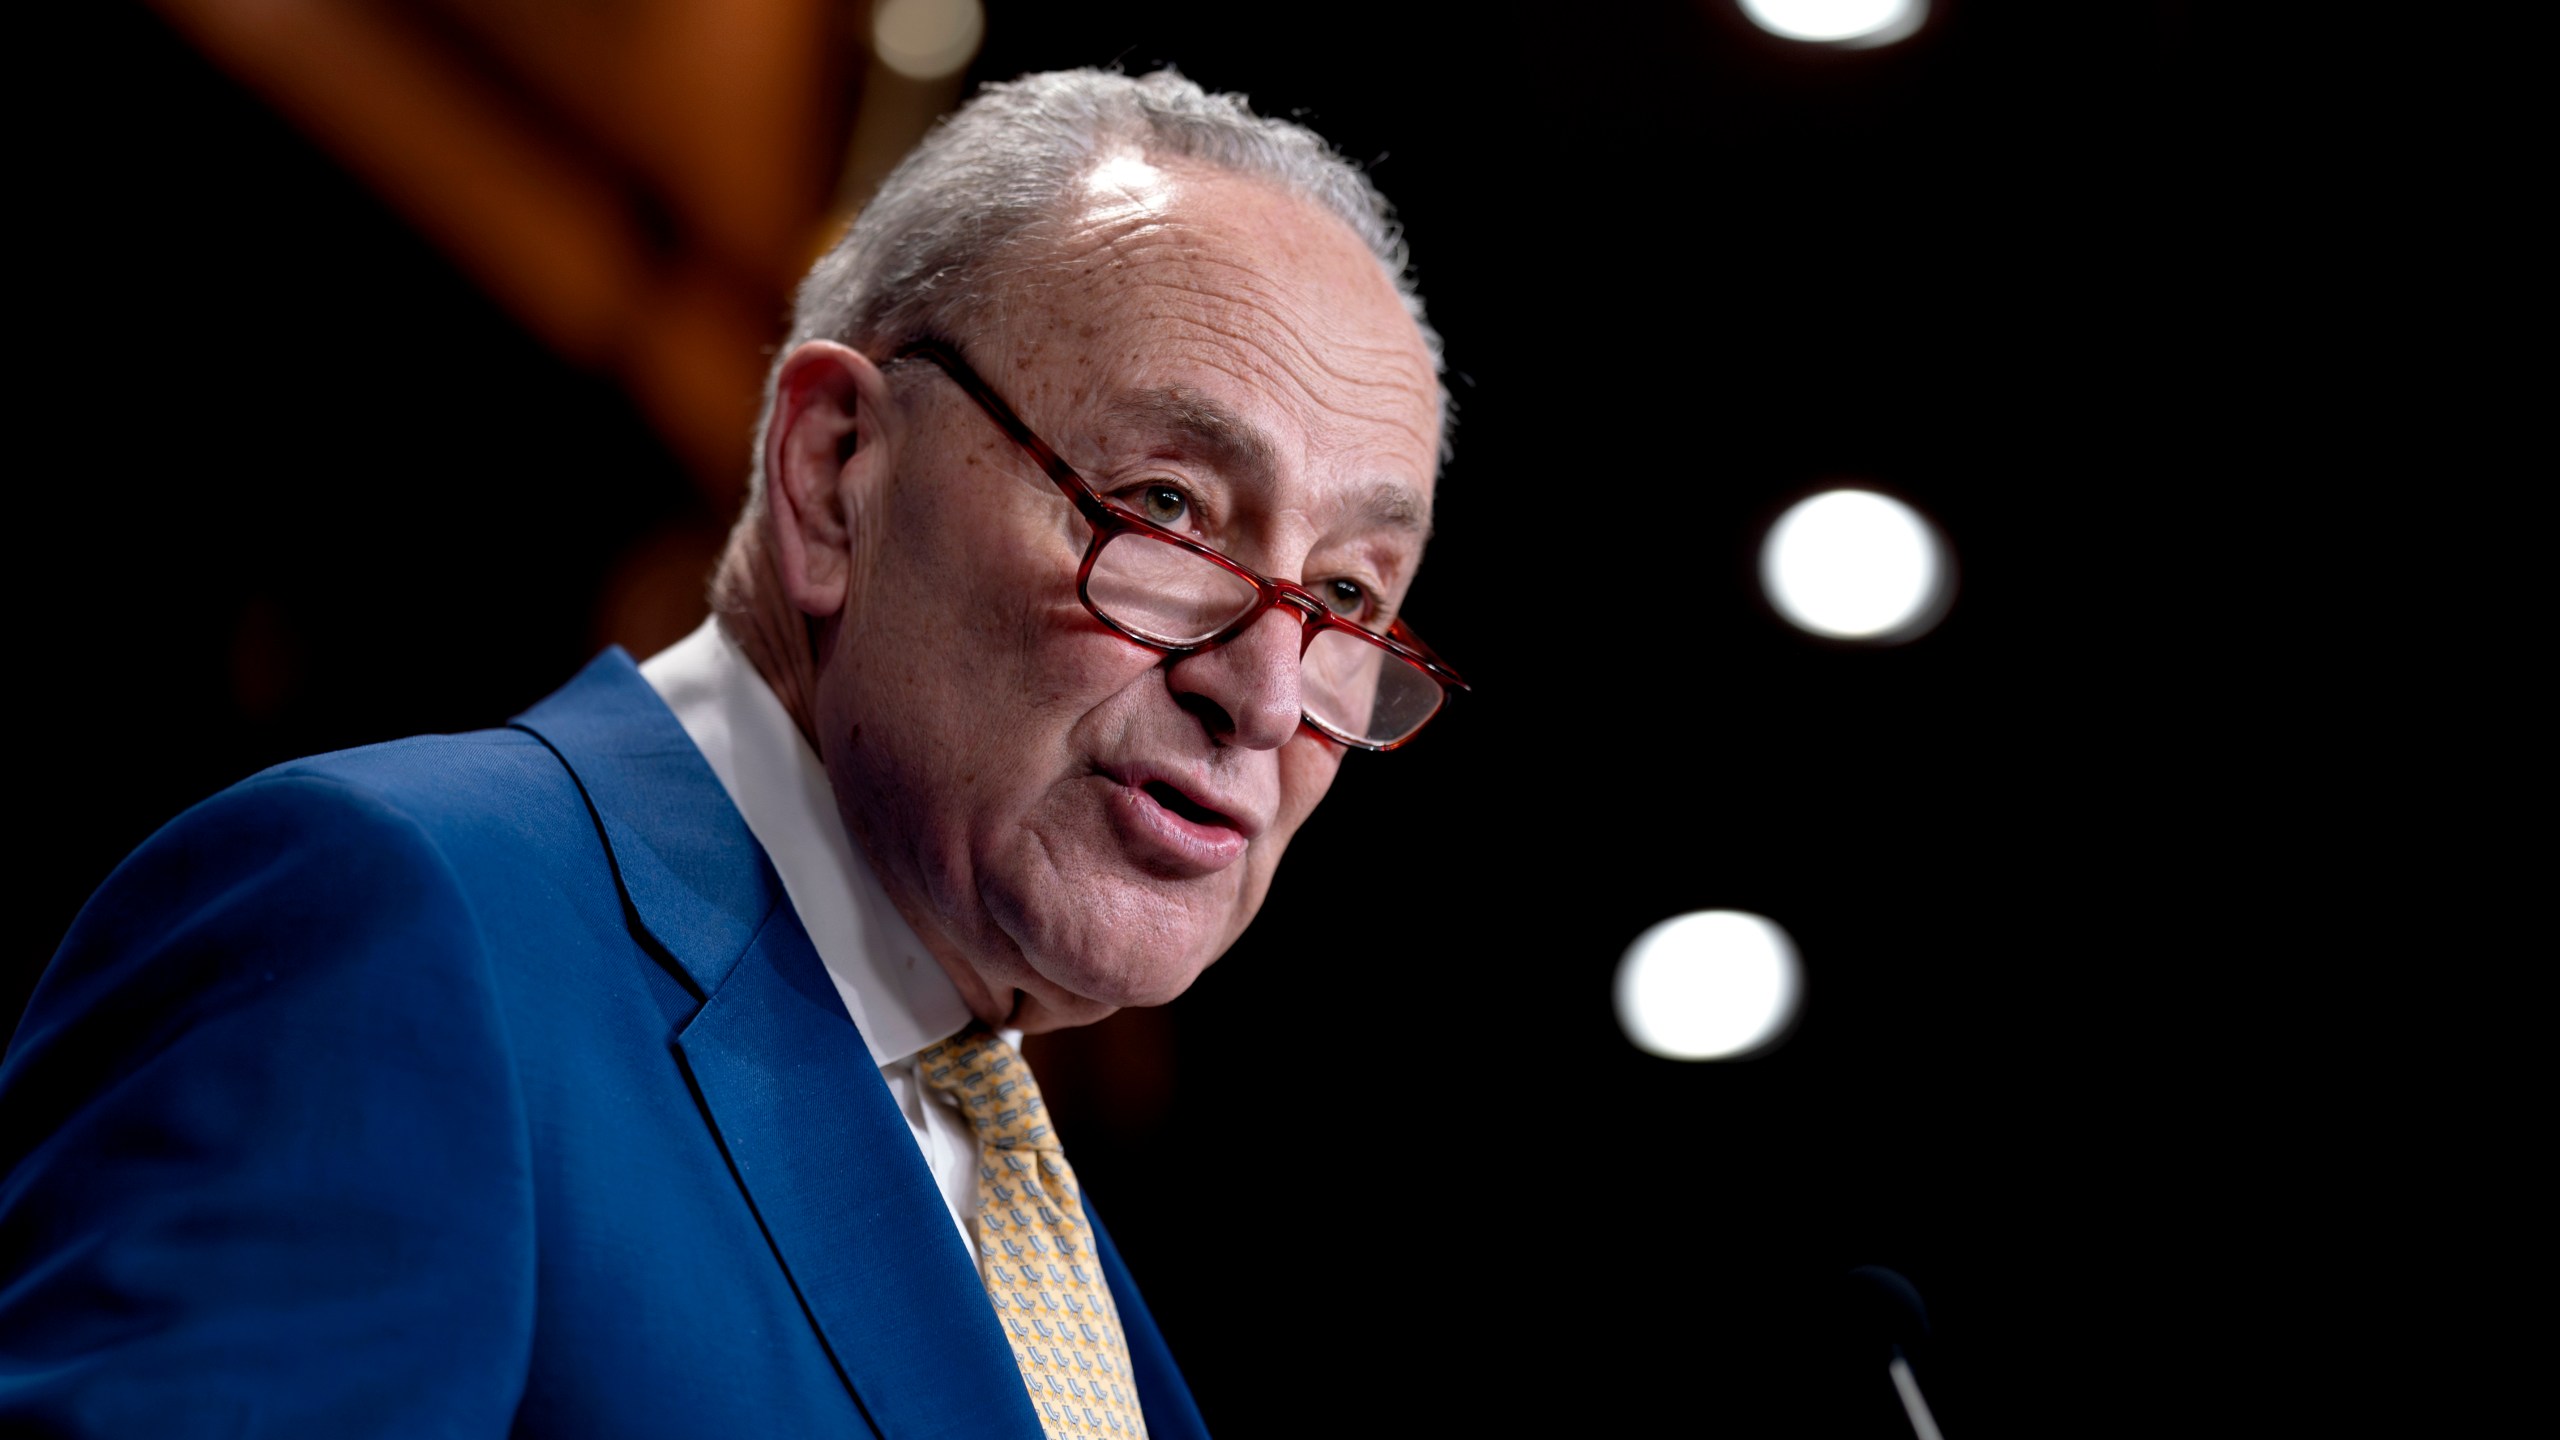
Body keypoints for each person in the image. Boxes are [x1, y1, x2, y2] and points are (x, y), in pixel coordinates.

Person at [0, 68, 1465, 1438]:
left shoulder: (1045, 1238)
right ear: (837, 474)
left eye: (1346, 598)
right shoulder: (393, 920)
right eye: (1167, 507)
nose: (1268, 690)